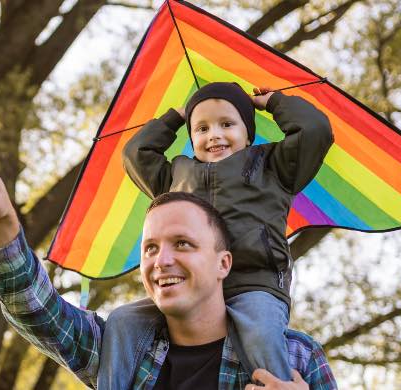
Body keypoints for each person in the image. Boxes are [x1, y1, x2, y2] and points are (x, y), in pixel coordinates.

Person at [0, 137, 337, 389]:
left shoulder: (295, 358)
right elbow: (38, 312)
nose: (162, 260)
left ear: (223, 263)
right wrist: (2, 222)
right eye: (150, 248)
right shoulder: (121, 347)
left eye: (182, 243)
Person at [116, 82, 333, 386]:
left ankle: (277, 384)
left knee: (260, 334)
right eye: (201, 128)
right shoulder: (175, 176)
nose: (214, 134)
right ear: (191, 138)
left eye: (227, 124)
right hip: (190, 289)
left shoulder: (272, 165)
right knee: (121, 321)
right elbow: (135, 153)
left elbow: (315, 130)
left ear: (248, 133)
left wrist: (273, 102)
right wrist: (176, 116)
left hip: (254, 283)